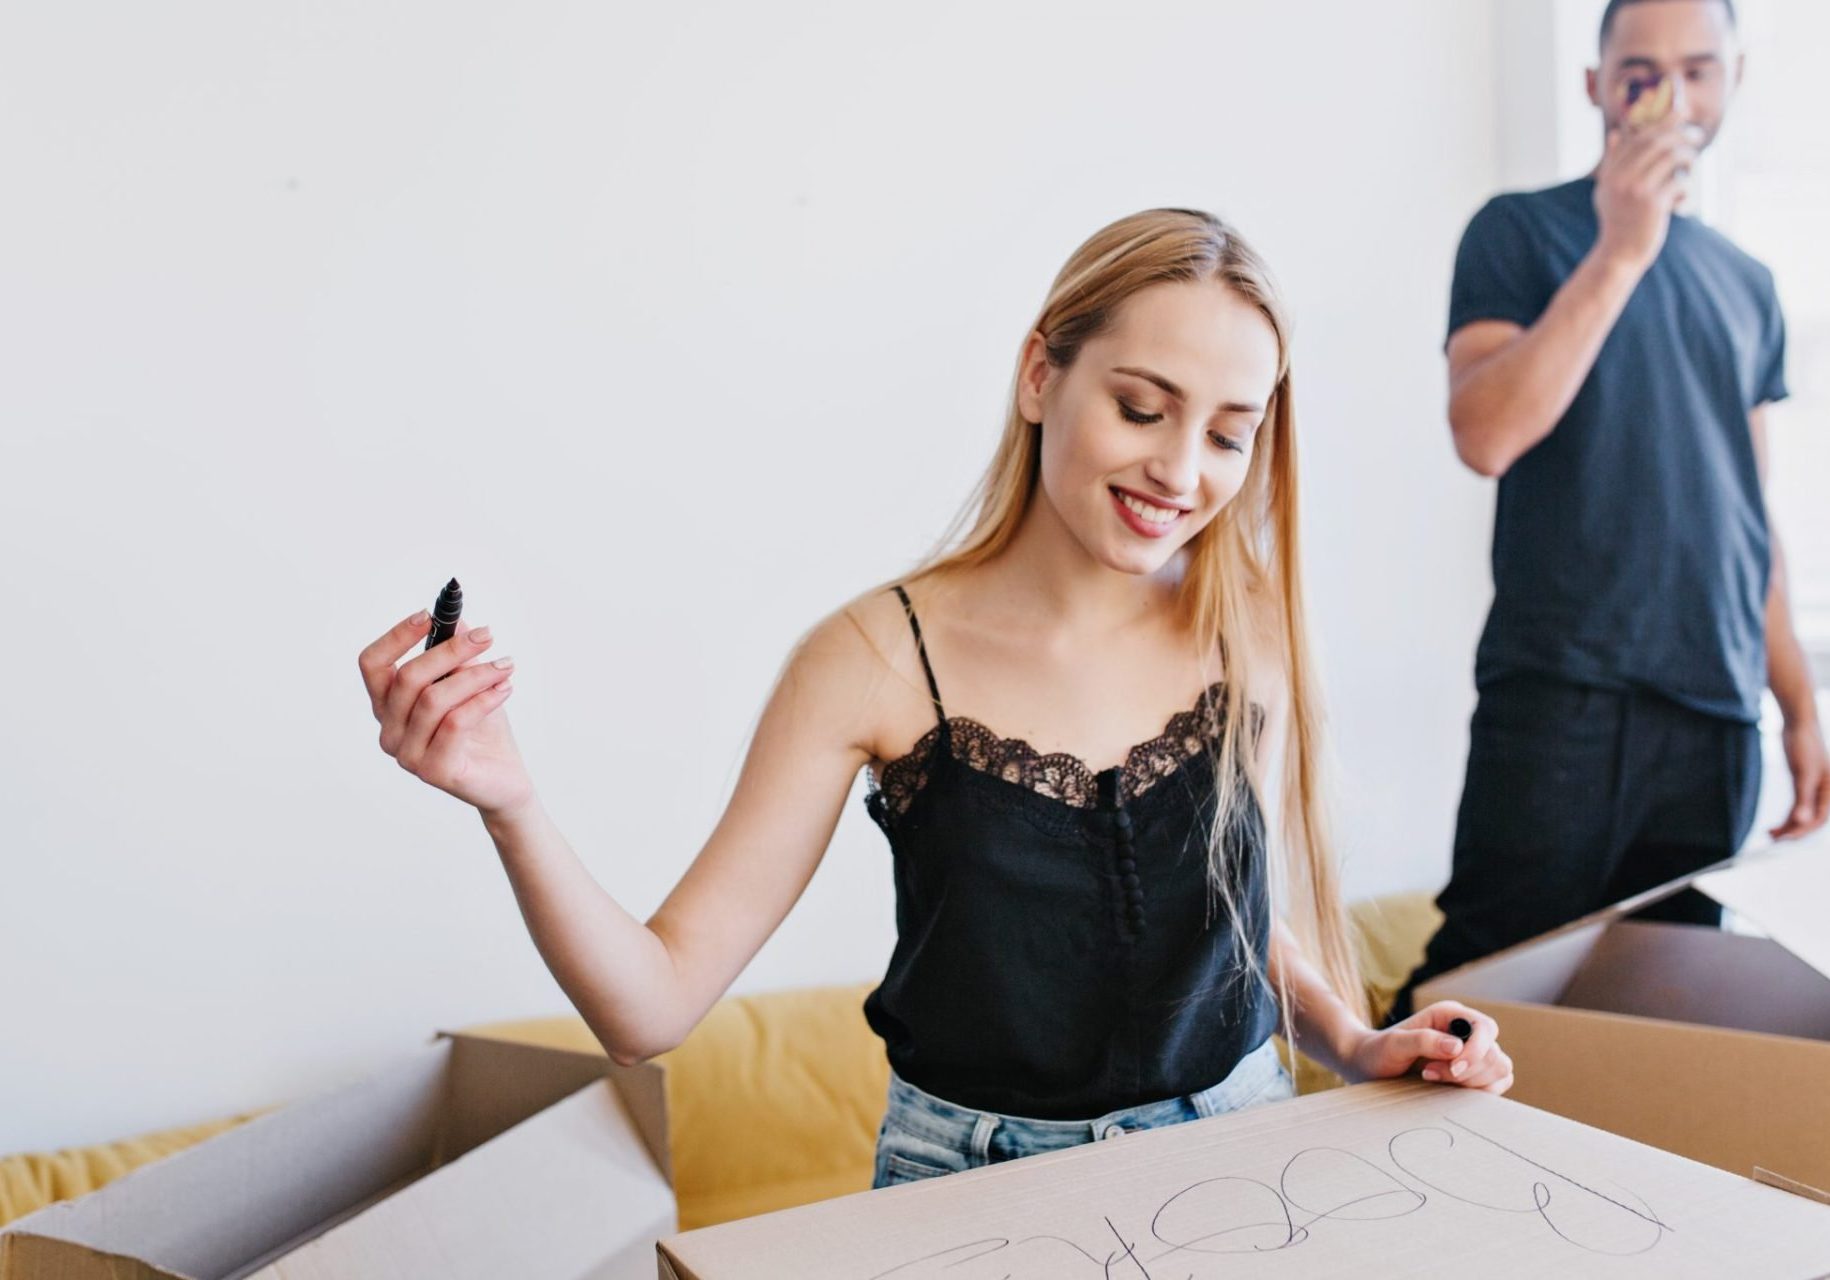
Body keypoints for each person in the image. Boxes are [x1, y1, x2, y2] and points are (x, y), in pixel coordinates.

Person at [358, 207, 1512, 1189]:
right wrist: (508, 800)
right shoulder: (870, 656)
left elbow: (1238, 918)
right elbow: (647, 1008)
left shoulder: (1243, 623)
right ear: (1039, 374)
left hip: (1242, 1155)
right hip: (969, 1184)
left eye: (1227, 433)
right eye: (1142, 407)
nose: (1180, 472)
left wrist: (1358, 1043)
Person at [1389, 0, 1826, 1025]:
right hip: (1565, 693)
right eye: (1638, 71)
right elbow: (1485, 430)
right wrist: (1622, 250)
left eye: (1694, 68)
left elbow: (1750, 512)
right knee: (1482, 983)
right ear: (1595, 85)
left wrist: (1799, 703)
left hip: (1716, 714)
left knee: (1660, 1009)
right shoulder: (1521, 231)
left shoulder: (1749, 284)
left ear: (1731, 80)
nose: (1666, 93)